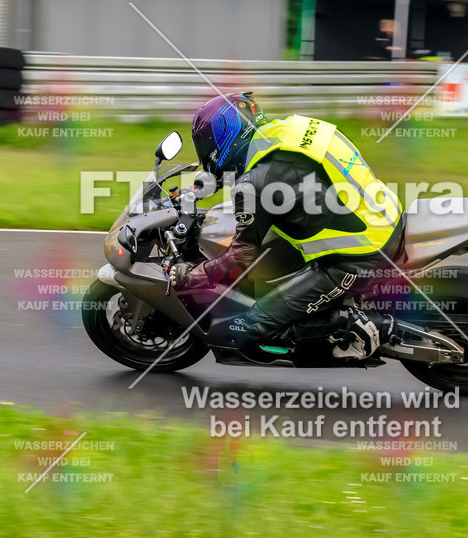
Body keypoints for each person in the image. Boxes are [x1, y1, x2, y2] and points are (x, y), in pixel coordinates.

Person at [171, 93, 403, 360]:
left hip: (359, 255)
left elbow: (240, 259)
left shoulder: (254, 185)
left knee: (249, 326)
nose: (204, 151)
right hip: (383, 215)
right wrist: (201, 187)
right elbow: (283, 174)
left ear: (223, 137)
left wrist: (192, 276)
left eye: (205, 143)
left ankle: (361, 327)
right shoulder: (292, 130)